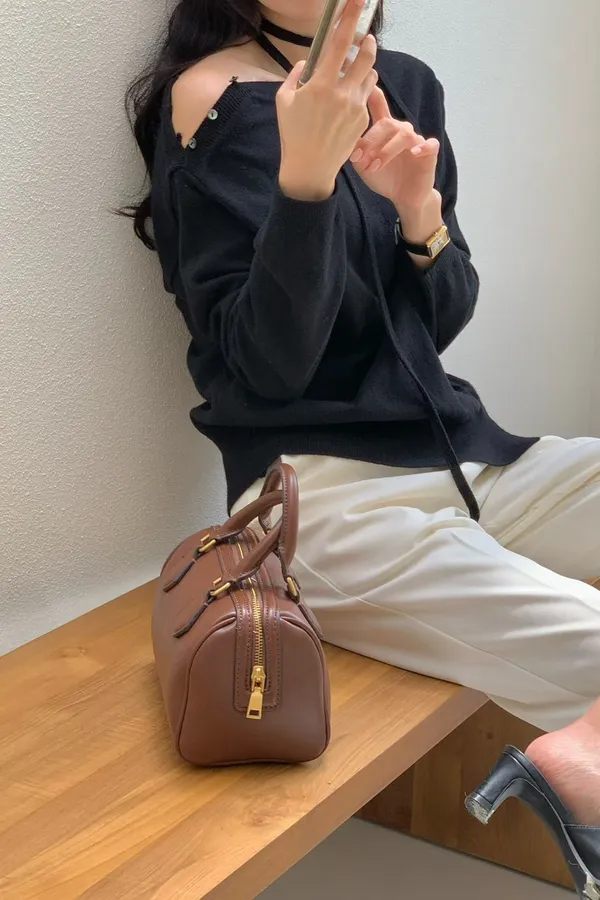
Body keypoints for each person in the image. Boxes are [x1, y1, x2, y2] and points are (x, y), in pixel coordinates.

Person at [124, 0, 600, 892]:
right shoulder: (211, 99)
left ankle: (585, 767)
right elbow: (269, 368)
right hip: (324, 497)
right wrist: (305, 180)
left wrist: (419, 208)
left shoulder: (408, 84)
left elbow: (437, 323)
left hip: (466, 457)